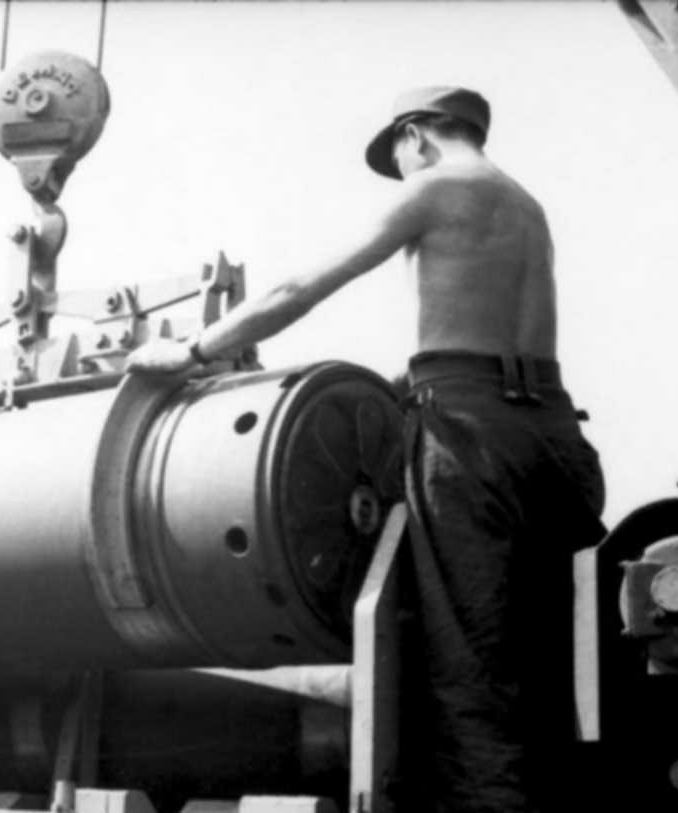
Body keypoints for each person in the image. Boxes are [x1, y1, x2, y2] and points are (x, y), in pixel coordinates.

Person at [125, 86, 606, 813]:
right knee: (554, 660)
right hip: (553, 431)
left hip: (470, 436)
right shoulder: (526, 206)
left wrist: (193, 351)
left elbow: (299, 286)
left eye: (399, 157)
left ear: (416, 136)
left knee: (471, 663)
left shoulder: (435, 188)